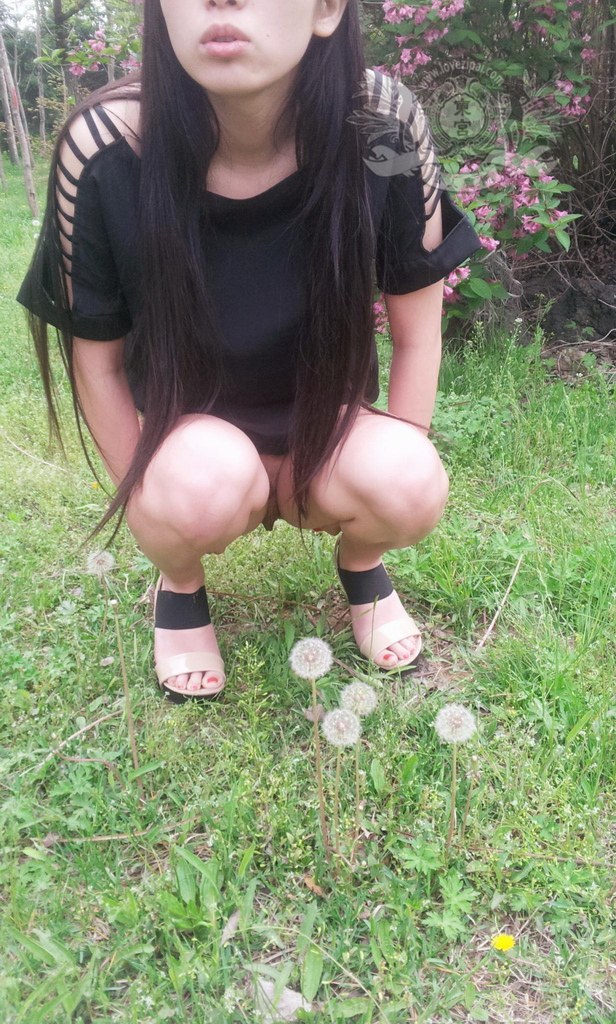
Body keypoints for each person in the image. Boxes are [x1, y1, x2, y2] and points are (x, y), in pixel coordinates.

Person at [18, 0, 483, 703]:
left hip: (327, 430)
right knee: (195, 488)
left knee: (410, 482)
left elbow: (417, 328)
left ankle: (363, 564)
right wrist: (153, 511)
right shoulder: (105, 147)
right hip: (193, 442)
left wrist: (402, 455)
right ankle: (180, 583)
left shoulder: (382, 127)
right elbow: (98, 361)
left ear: (327, 8)